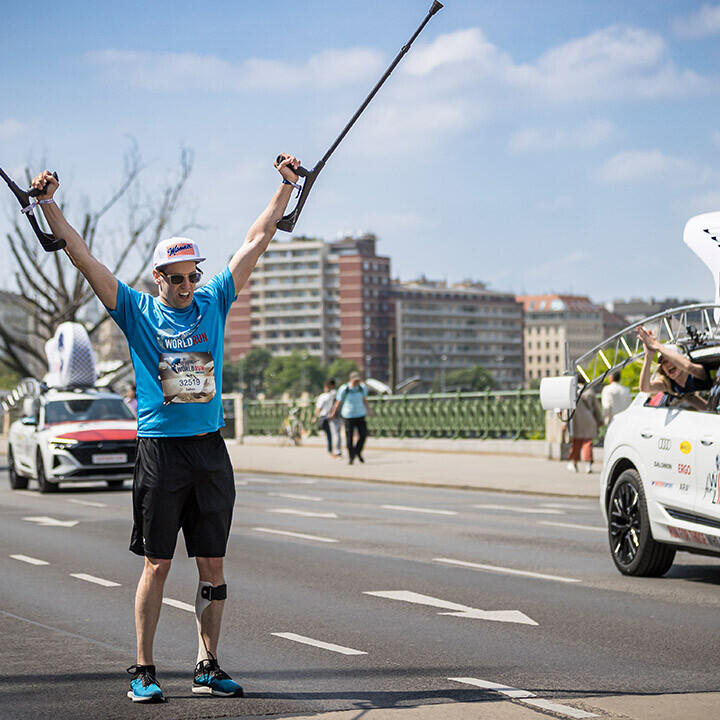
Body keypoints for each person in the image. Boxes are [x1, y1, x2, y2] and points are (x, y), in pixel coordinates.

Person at [31, 153, 302, 704]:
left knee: (213, 565)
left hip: (208, 450)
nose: (186, 285)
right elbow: (83, 257)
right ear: (158, 278)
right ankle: (143, 670)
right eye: (176, 278)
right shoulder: (134, 310)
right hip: (159, 452)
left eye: (191, 275)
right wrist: (48, 203)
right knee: (157, 565)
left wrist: (285, 189)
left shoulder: (214, 300)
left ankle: (207, 664)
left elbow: (257, 237)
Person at [636, 326, 710, 410]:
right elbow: (644, 388)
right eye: (663, 362)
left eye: (670, 359)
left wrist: (657, 346)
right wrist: (648, 356)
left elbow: (688, 366)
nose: (667, 364)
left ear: (680, 358)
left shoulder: (698, 372)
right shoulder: (668, 384)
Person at [331, 371, 374, 464]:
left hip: (360, 414)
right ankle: (351, 457)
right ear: (350, 380)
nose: (357, 383)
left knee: (363, 435)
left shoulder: (362, 388)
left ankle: (357, 451)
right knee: (349, 437)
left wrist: (369, 410)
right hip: (348, 415)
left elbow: (364, 400)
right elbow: (338, 401)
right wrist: (333, 412)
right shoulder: (344, 389)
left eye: (358, 381)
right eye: (355, 381)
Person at [566, 379, 602, 474]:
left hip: (575, 419)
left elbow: (567, 407)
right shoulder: (589, 390)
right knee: (587, 442)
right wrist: (600, 420)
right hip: (588, 418)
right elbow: (597, 407)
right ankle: (588, 464)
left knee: (576, 442)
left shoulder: (571, 391)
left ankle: (573, 463)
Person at [312, 379, 341, 457]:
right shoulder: (336, 393)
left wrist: (315, 417)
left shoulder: (323, 396)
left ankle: (330, 449)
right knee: (335, 433)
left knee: (329, 434)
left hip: (325, 416)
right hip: (335, 415)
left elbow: (319, 408)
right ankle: (337, 450)